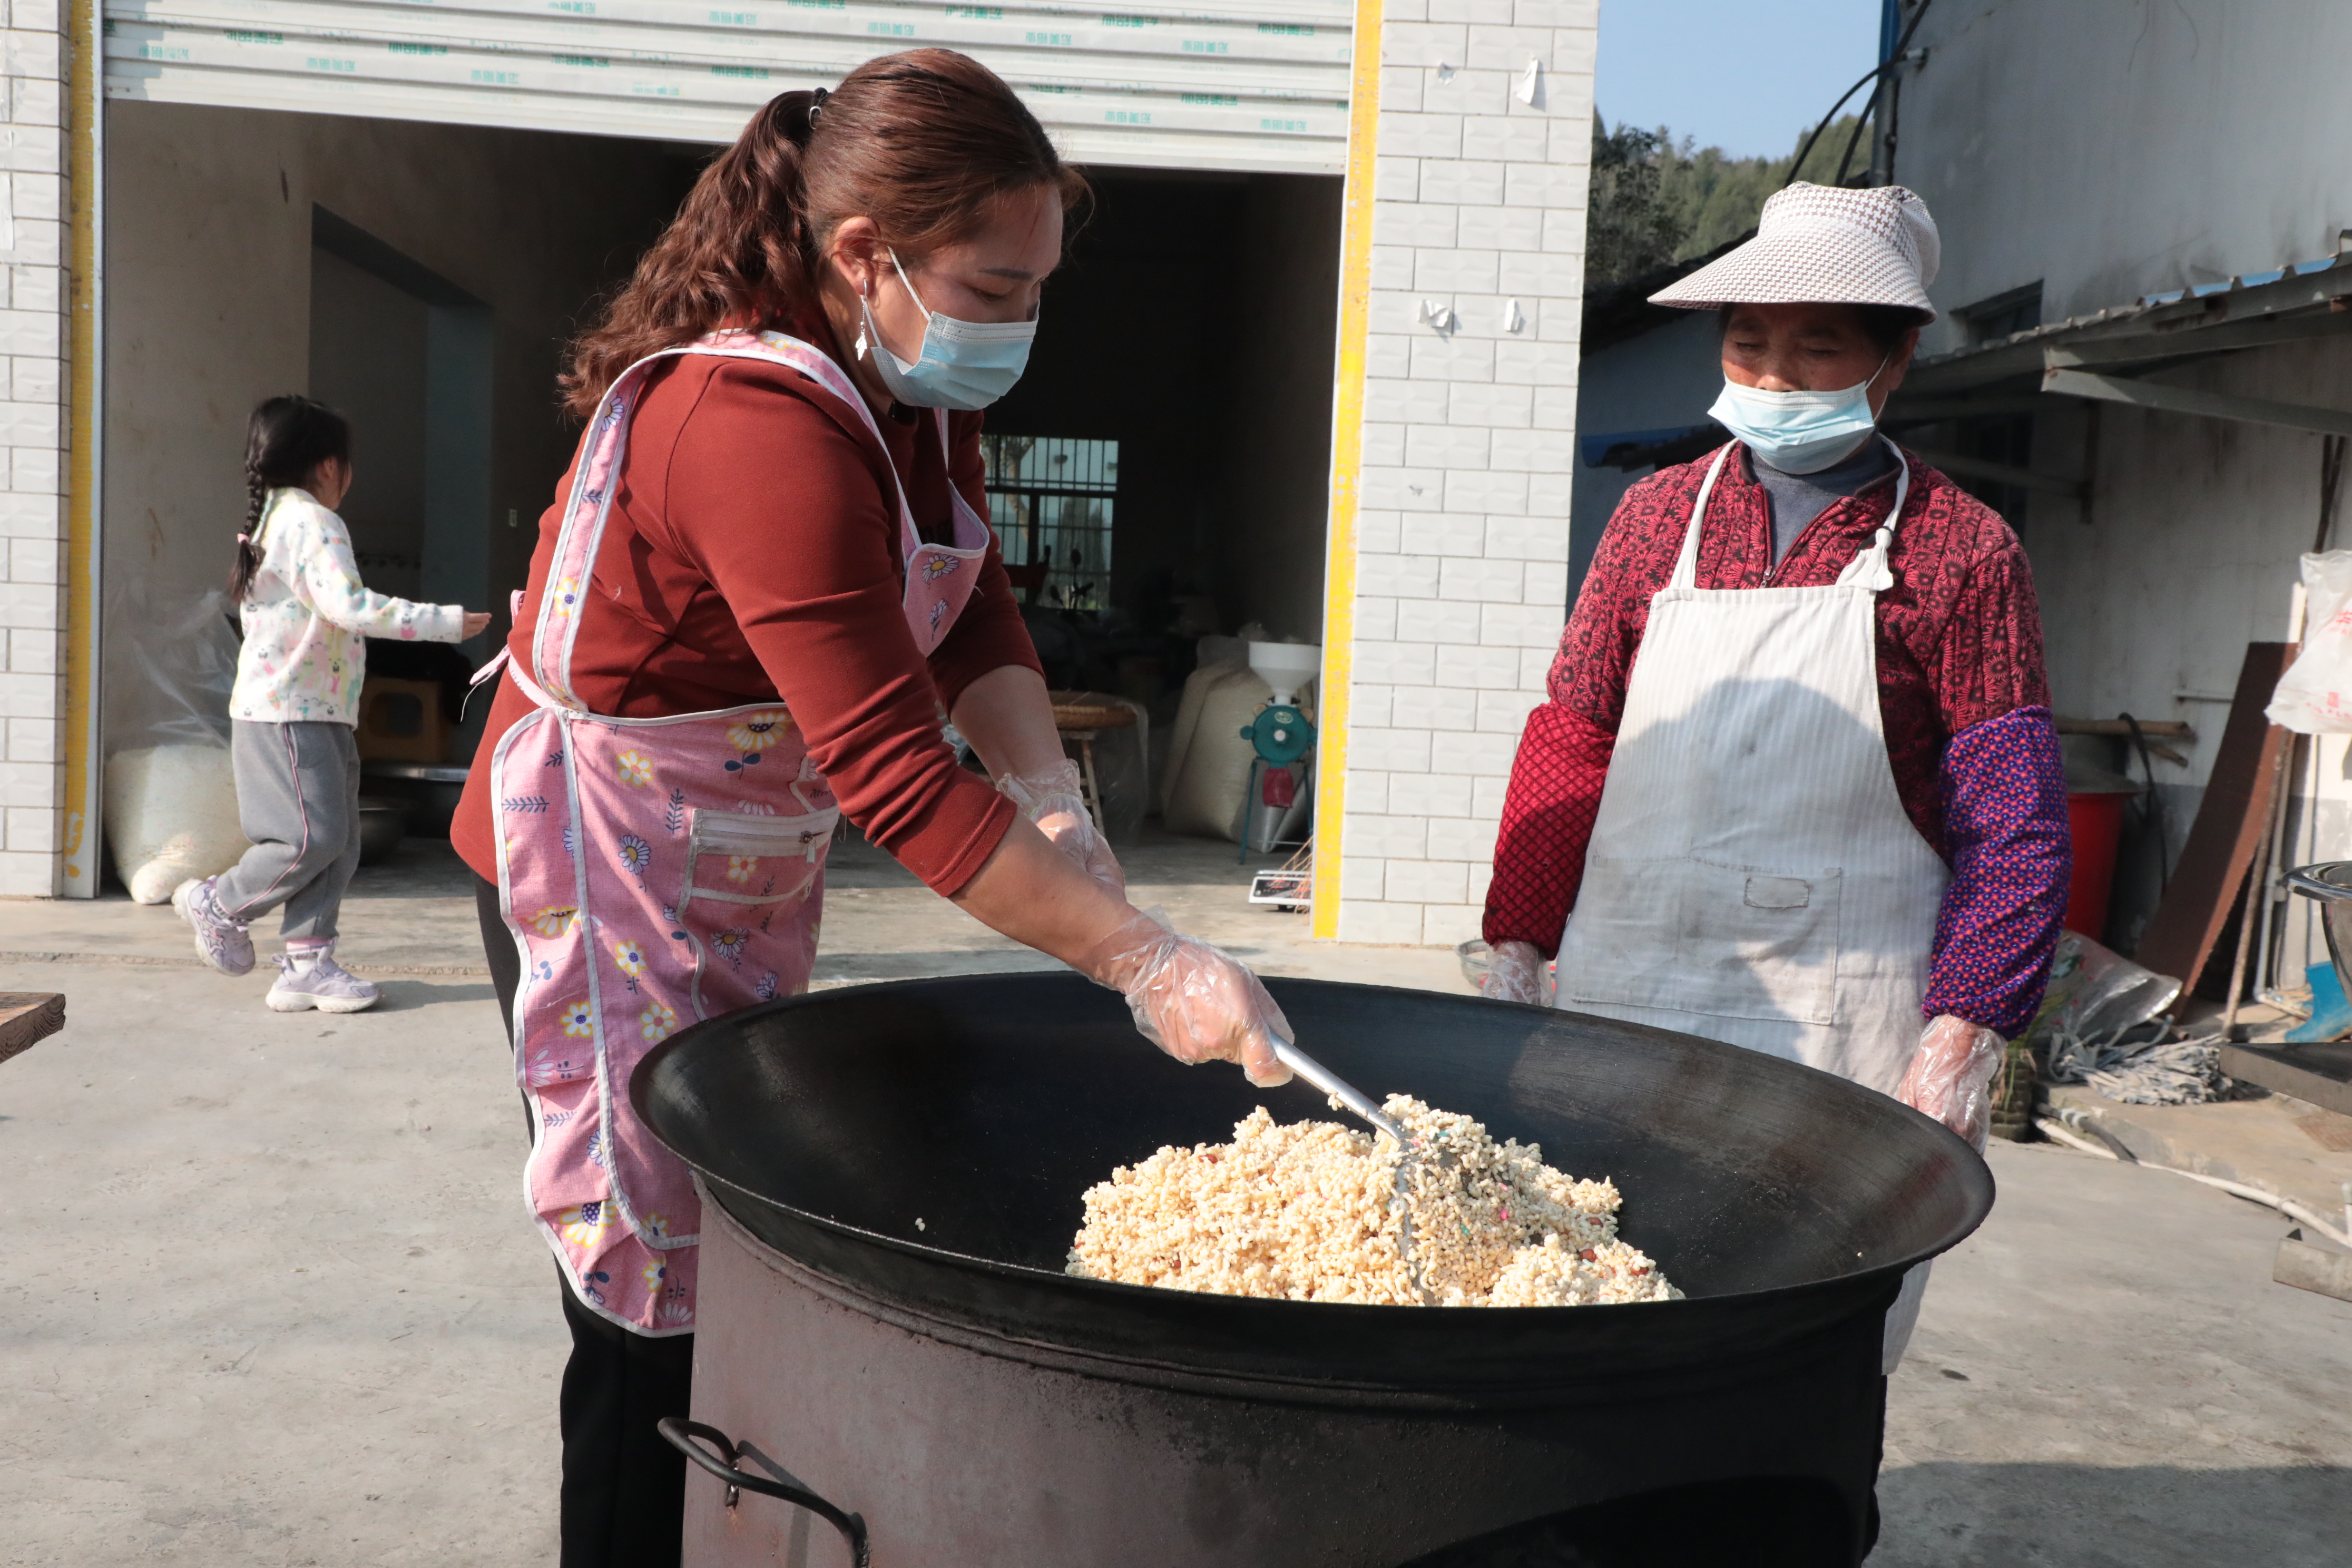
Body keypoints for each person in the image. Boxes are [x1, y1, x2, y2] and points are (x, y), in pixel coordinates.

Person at [449, 53, 1291, 1565]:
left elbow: (969, 620)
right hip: (599, 871)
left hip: (730, 854)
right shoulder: (752, 424)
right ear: (865, 257)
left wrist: (1058, 808)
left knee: (748, 1253)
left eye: (1038, 285)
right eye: (993, 281)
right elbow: (900, 777)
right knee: (651, 1300)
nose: (1018, 320)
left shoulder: (900, 394)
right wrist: (1139, 957)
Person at [1481, 183, 2070, 1368]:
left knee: (1802, 1332)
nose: (1773, 378)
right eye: (1748, 345)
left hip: (1843, 1019)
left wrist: (1966, 1033)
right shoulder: (1654, 520)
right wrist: (1518, 935)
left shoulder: (1963, 549)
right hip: (1630, 988)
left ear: (1894, 359)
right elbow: (1574, 731)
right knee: (1587, 1303)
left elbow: (2012, 819)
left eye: (1817, 349)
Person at [174, 395, 492, 1012]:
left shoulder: (273, 518)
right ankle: (218, 903)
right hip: (289, 712)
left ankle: (307, 965)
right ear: (327, 465)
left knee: (338, 842)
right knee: (308, 839)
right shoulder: (312, 521)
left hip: (316, 709)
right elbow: (349, 606)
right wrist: (444, 623)